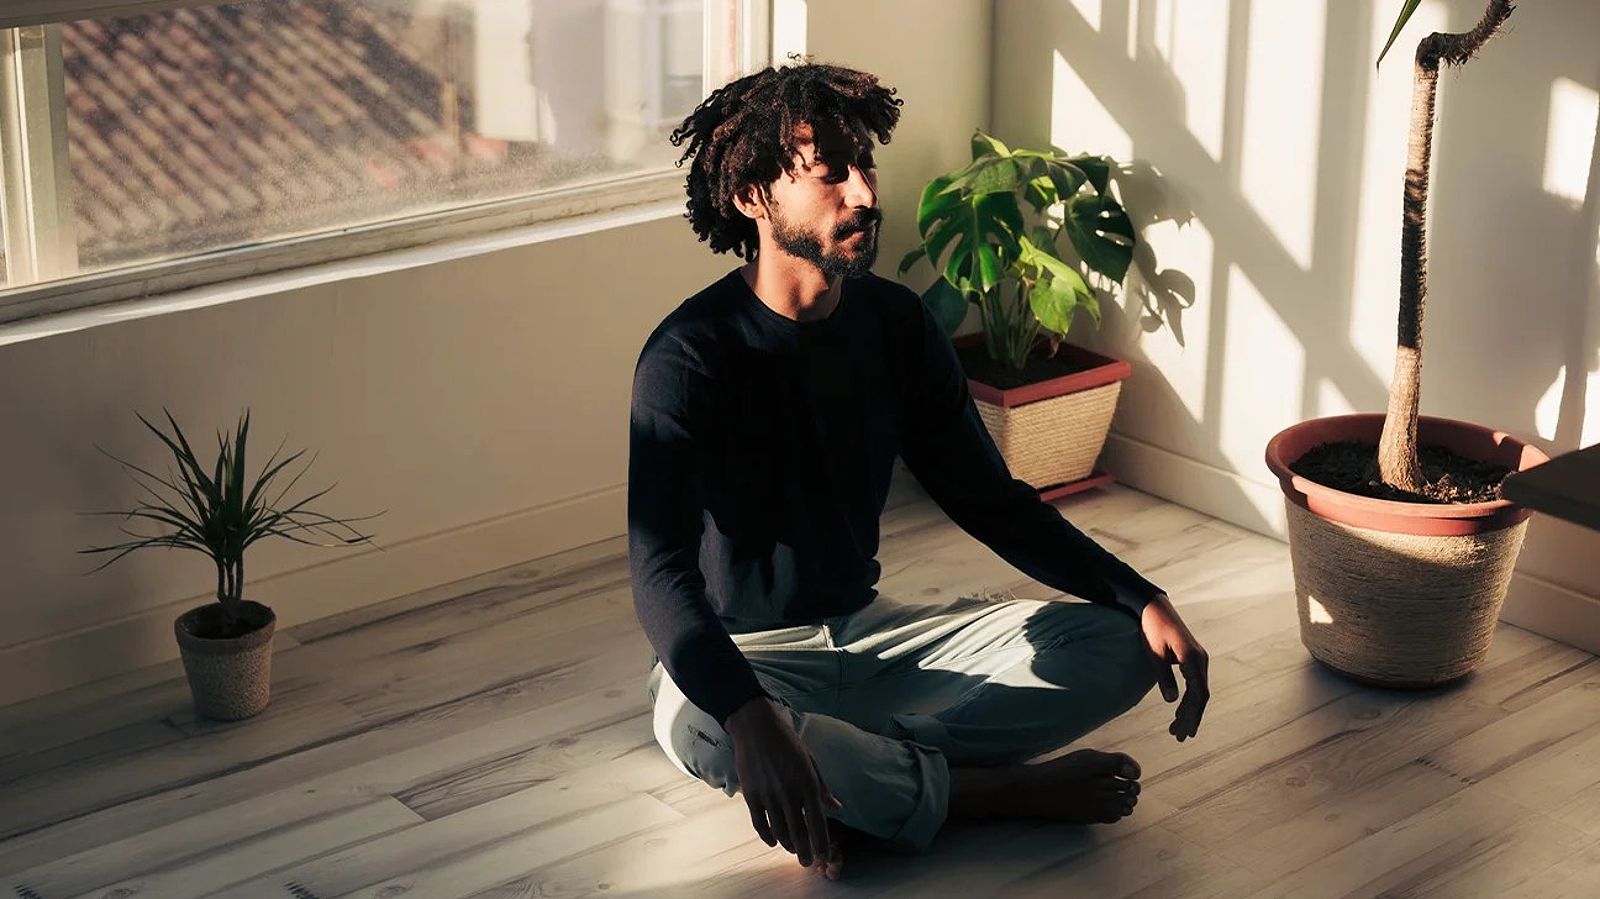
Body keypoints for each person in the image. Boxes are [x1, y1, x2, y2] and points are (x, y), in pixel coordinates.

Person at [627, 59, 1209, 882]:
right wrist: (751, 714)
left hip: (879, 638)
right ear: (755, 196)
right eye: (831, 174)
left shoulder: (895, 326)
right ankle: (987, 793)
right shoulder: (687, 358)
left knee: (1121, 647)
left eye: (866, 166)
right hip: (750, 656)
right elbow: (658, 571)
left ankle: (870, 781)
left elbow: (991, 501)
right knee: (698, 722)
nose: (865, 193)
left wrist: (1139, 594)